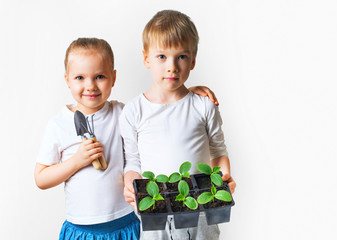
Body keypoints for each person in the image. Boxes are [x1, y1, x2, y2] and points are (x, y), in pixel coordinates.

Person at [34, 37, 217, 240]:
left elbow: (157, 107)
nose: (90, 86)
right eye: (80, 78)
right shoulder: (59, 124)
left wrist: (186, 94)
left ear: (113, 78)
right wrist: (76, 161)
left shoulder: (123, 112)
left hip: (126, 223)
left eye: (100, 76)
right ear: (67, 79)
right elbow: (41, 178)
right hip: (81, 228)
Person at [120, 10, 236, 240]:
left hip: (200, 210)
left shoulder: (204, 106)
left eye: (181, 56)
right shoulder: (134, 110)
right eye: (162, 56)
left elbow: (218, 150)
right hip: (155, 212)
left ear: (193, 60)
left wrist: (223, 180)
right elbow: (132, 160)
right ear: (146, 59)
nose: (172, 66)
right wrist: (130, 185)